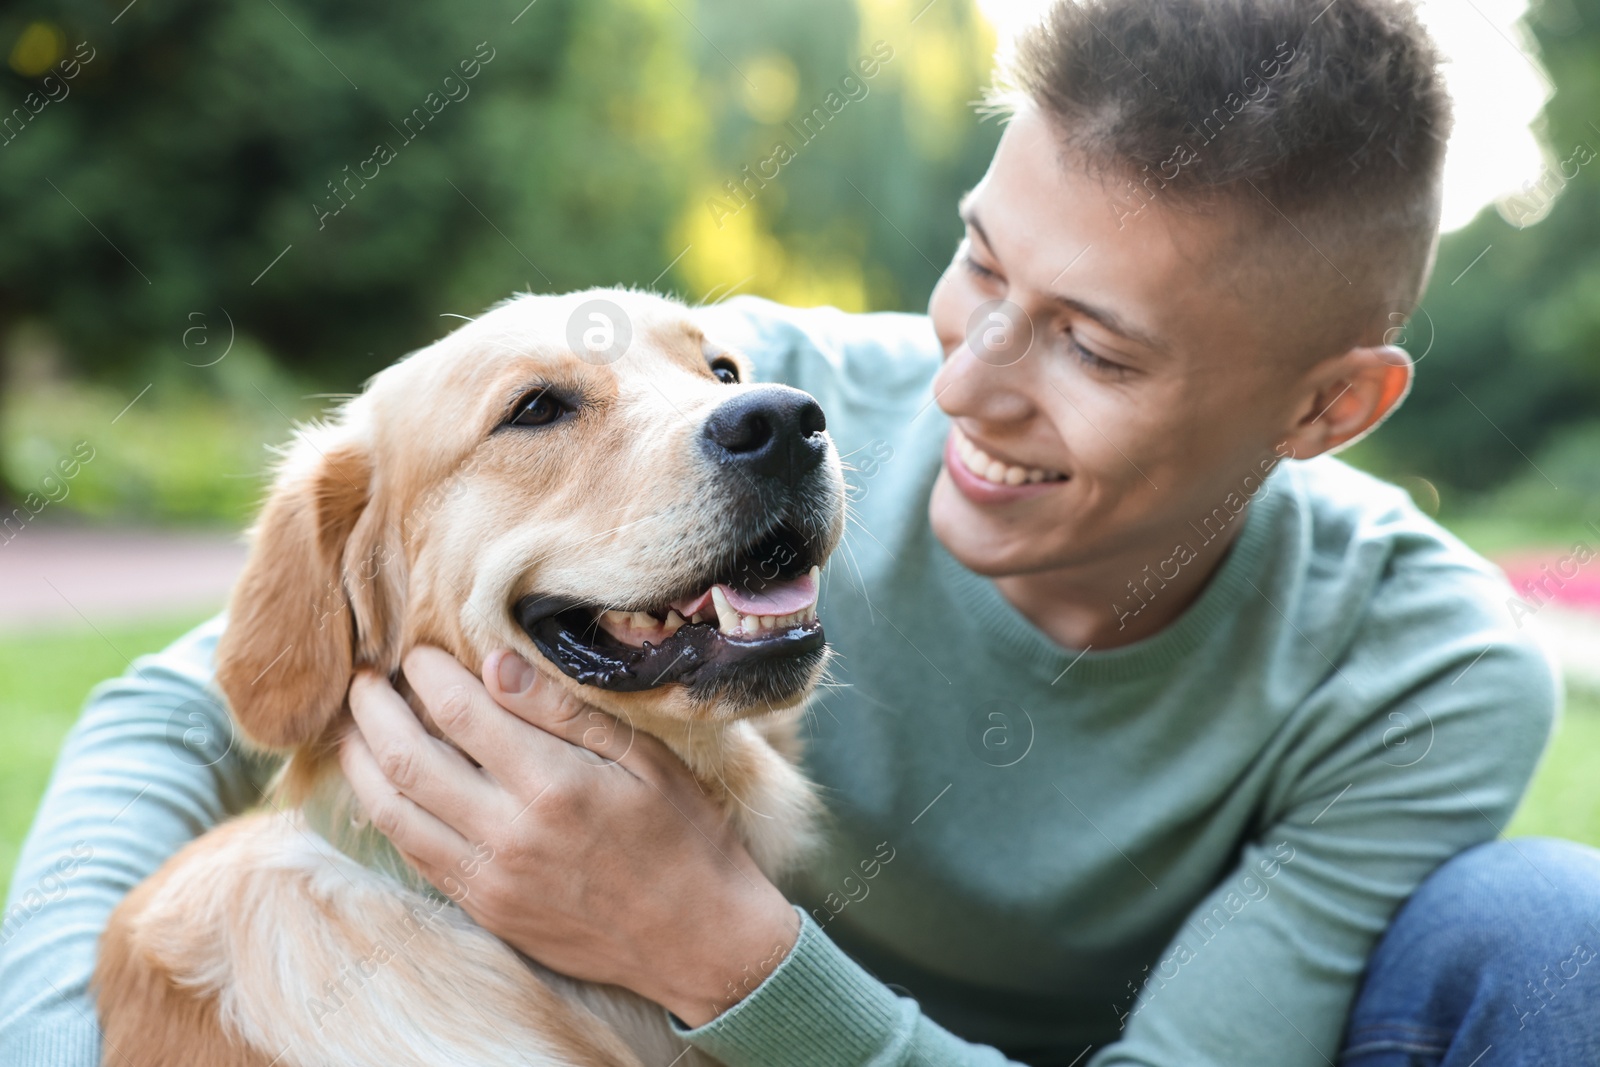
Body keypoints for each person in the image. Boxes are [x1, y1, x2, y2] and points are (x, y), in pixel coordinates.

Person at [3, 0, 1598, 1064]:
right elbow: (193, 700)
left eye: (1096, 350)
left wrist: (722, 952)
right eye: (980, 264)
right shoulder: (761, 391)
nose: (966, 386)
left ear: (1326, 410)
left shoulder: (1430, 664)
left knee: (1546, 936)